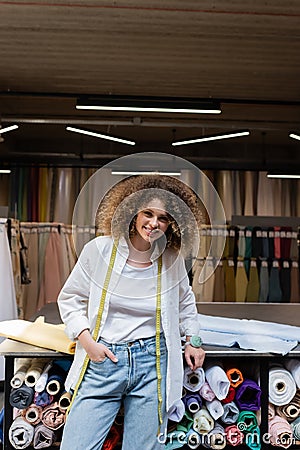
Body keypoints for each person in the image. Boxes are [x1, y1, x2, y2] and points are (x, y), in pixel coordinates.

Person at [57, 174, 206, 450]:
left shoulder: (171, 260)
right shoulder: (99, 250)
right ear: (132, 210)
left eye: (162, 218)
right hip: (104, 361)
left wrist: (193, 340)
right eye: (147, 213)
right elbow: (70, 298)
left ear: (172, 222)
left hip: (153, 363)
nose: (153, 223)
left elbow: (186, 303)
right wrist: (87, 342)